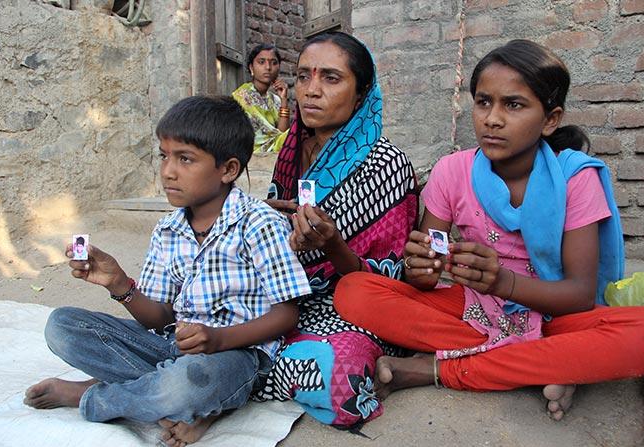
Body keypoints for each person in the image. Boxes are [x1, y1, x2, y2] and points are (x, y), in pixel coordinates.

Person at [334, 39, 644, 422]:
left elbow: (580, 295)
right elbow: (425, 277)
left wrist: (504, 283)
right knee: (354, 290)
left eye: (513, 105)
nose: (492, 119)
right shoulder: (453, 171)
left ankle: (438, 369)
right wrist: (420, 269)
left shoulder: (575, 178)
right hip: (475, 310)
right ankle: (550, 364)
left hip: (554, 315)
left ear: (550, 119)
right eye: (483, 102)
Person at [24, 96, 312, 446]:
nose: (167, 171)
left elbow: (287, 314)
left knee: (189, 382)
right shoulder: (167, 229)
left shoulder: (260, 223)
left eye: (185, 159)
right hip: (171, 344)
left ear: (228, 170)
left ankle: (92, 397)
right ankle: (187, 404)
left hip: (236, 354)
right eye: (164, 155)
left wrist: (218, 339)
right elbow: (159, 319)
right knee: (63, 326)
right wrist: (119, 285)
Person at [255, 32, 419, 427]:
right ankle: (234, 362)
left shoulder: (386, 165)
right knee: (192, 317)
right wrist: (261, 216)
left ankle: (234, 369)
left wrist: (332, 246)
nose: (311, 91)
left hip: (344, 307)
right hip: (279, 294)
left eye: (330, 78)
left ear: (361, 93)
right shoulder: (292, 150)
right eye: (303, 77)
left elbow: (389, 280)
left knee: (342, 376)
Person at [232, 43, 290, 153]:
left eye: (274, 63)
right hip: (252, 154)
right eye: (261, 62)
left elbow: (282, 135)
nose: (268, 67)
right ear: (251, 67)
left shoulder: (275, 100)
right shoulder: (242, 96)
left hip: (276, 151)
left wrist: (283, 100)